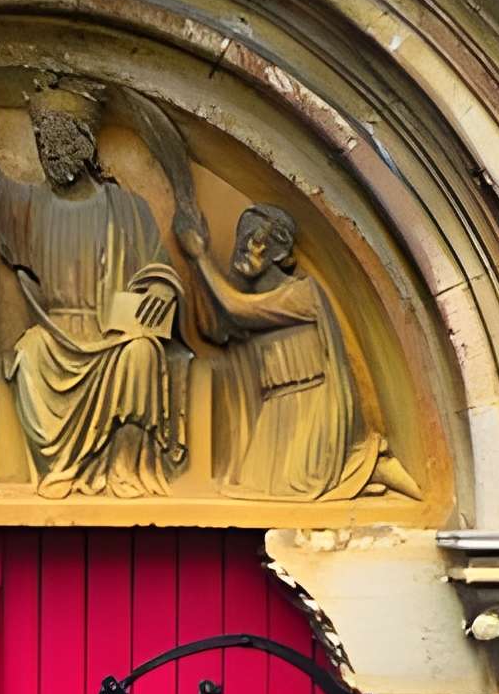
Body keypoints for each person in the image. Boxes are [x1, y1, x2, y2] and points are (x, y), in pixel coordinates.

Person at [0, 79, 189, 498]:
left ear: (85, 145)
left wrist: (161, 289)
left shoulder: (125, 208)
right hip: (57, 334)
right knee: (29, 353)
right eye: (44, 147)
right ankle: (60, 468)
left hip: (114, 333)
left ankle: (124, 468)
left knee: (142, 353)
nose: (51, 155)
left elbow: (158, 267)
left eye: (60, 143)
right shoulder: (33, 206)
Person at [179, 204, 420, 502]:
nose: (243, 246)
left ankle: (368, 465)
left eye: (254, 239)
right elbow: (214, 327)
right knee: (246, 492)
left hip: (312, 413)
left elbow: (238, 309)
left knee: (291, 491)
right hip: (275, 412)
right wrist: (192, 264)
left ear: (279, 253)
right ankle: (364, 474)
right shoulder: (256, 302)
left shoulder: (304, 294)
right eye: (241, 236)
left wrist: (201, 257)